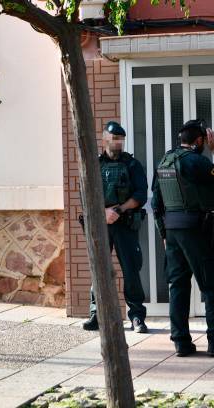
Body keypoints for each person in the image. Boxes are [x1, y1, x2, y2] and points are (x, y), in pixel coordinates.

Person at [151, 119, 214, 357]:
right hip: (196, 231)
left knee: (178, 286)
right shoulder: (196, 162)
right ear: (200, 141)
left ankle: (181, 342)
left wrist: (163, 234)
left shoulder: (165, 161)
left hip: (172, 232)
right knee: (211, 286)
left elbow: (156, 203)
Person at [82, 121, 149, 333]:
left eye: (120, 139)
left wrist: (118, 210)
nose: (117, 143)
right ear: (104, 139)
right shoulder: (94, 164)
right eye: (113, 139)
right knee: (99, 269)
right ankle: (96, 315)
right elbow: (85, 195)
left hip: (125, 224)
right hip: (101, 225)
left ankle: (137, 316)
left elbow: (140, 194)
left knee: (131, 270)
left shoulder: (132, 164)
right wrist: (104, 214)